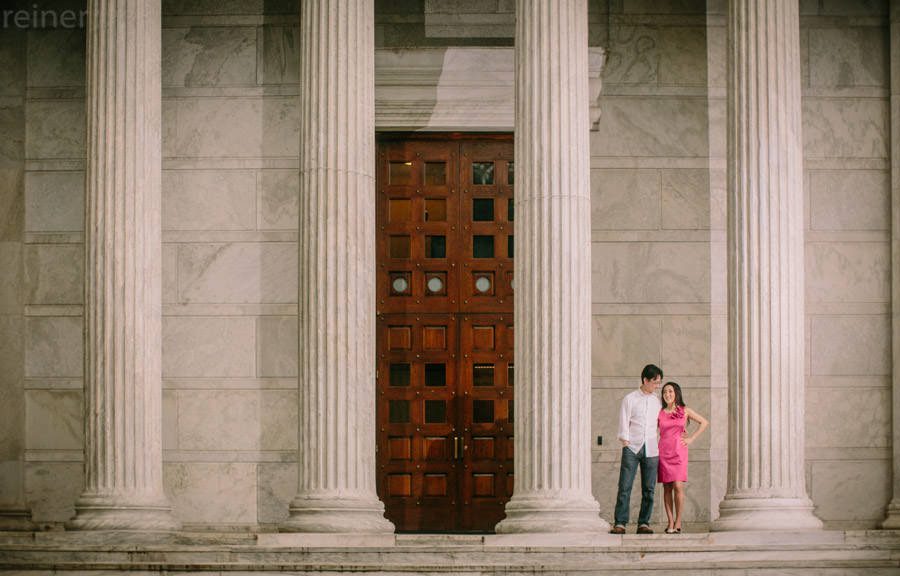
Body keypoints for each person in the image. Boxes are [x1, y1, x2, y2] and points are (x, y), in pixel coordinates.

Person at [610, 364, 663, 535]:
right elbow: (624, 420)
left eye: (659, 383)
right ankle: (620, 522)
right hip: (632, 447)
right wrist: (625, 442)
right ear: (645, 380)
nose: (657, 386)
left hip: (652, 448)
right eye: (655, 382)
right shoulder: (630, 398)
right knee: (625, 486)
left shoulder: (657, 401)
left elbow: (661, 423)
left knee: (649, 488)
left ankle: (643, 523)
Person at [657, 381, 708, 534]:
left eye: (670, 391)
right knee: (667, 488)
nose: (667, 394)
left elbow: (704, 422)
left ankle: (678, 521)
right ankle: (670, 521)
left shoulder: (684, 410)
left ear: (676, 393)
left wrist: (691, 438)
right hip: (663, 452)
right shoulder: (659, 412)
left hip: (679, 452)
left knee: (678, 486)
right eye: (665, 392)